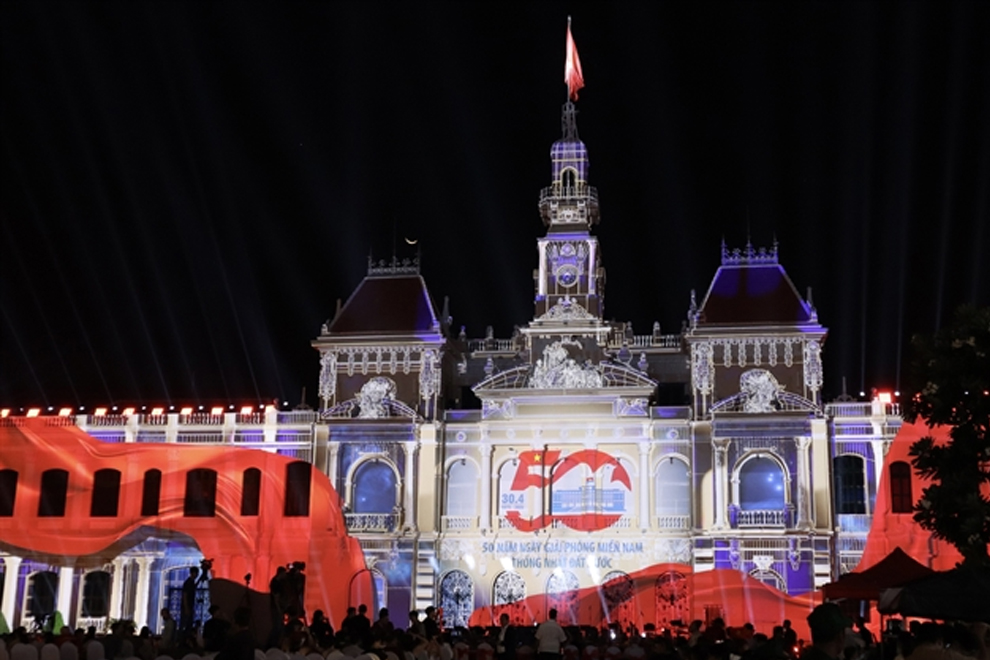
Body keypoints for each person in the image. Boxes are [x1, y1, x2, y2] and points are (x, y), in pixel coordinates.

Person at [180, 566, 206, 634]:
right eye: (196, 573)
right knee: (186, 624)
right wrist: (186, 608)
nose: (196, 575)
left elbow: (194, 586)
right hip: (187, 607)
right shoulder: (188, 583)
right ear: (192, 573)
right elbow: (185, 595)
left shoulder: (191, 582)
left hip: (190, 606)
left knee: (189, 624)